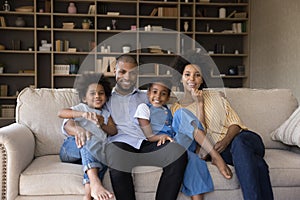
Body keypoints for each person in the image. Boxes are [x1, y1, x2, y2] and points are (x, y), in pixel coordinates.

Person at [170, 52, 274, 200]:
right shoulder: (177, 109)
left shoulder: (215, 96)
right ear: (180, 78)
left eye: (197, 75)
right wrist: (199, 104)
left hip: (244, 140)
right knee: (258, 164)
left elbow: (235, 124)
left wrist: (226, 141)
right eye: (187, 74)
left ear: (202, 78)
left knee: (240, 143)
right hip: (226, 153)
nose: (192, 79)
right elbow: (200, 135)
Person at [104, 55, 188, 200]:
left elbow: (169, 110)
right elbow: (85, 113)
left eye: (132, 73)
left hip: (148, 143)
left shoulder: (148, 96)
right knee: (115, 152)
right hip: (121, 145)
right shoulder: (104, 98)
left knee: (178, 153)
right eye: (122, 72)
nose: (127, 77)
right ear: (114, 71)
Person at [134, 80, 232, 200]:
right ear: (148, 94)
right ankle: (211, 155)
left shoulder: (170, 109)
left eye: (163, 93)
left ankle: (207, 151)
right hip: (161, 145)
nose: (158, 96)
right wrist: (161, 137)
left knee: (181, 114)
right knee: (191, 158)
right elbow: (148, 135)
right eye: (154, 92)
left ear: (168, 97)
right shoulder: (144, 107)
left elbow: (185, 126)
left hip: (176, 141)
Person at [58, 73, 116, 200]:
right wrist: (82, 117)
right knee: (87, 137)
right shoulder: (80, 108)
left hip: (92, 152)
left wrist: (102, 125)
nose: (97, 96)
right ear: (84, 98)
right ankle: (95, 183)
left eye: (101, 93)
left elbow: (113, 131)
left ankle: (88, 195)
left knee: (101, 154)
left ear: (106, 97)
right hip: (70, 149)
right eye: (93, 93)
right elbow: (61, 114)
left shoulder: (106, 114)